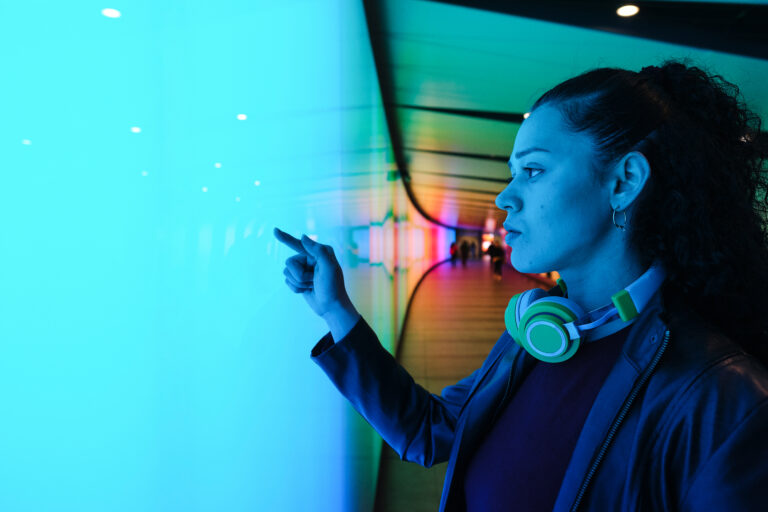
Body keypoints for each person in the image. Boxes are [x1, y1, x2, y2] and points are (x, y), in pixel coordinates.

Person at [274, 60, 768, 511]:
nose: (506, 197)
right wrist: (337, 311)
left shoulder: (723, 399)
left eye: (532, 171)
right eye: (512, 174)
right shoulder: (537, 336)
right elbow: (429, 432)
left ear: (623, 183)